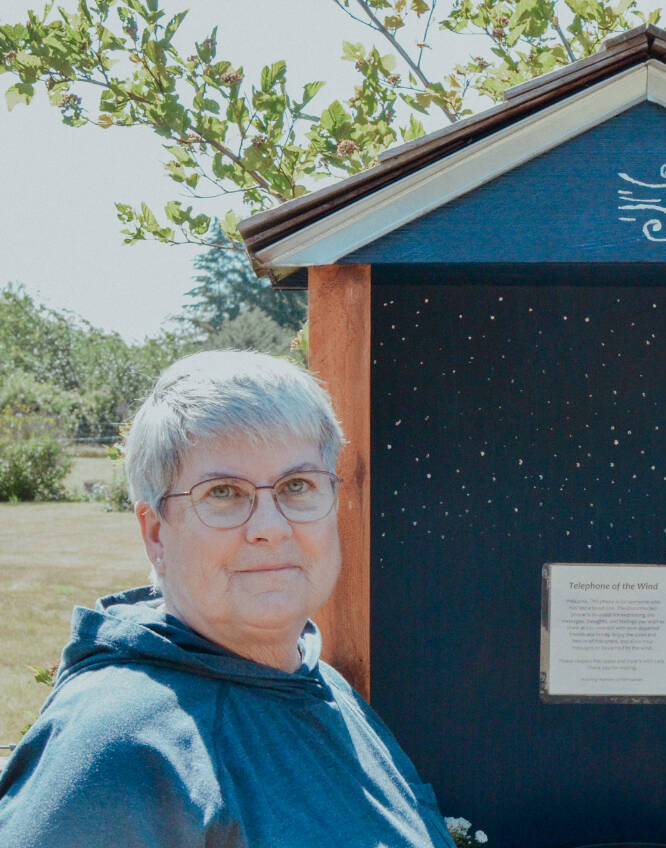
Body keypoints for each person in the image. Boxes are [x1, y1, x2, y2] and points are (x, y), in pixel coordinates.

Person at [0, 350, 456, 848]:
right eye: (223, 492)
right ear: (155, 533)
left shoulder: (317, 686)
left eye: (297, 485)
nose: (270, 527)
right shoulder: (119, 749)